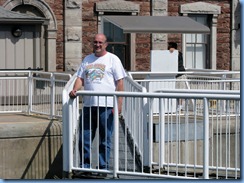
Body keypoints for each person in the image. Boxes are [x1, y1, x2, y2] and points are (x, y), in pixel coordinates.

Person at [69, 33, 127, 173]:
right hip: (89, 105)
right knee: (85, 138)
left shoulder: (113, 59)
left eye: (100, 42)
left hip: (106, 106)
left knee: (104, 139)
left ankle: (103, 167)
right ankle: (85, 166)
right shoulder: (87, 59)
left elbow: (120, 83)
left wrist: (119, 105)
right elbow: (80, 78)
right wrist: (75, 89)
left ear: (106, 44)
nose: (97, 45)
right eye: (95, 42)